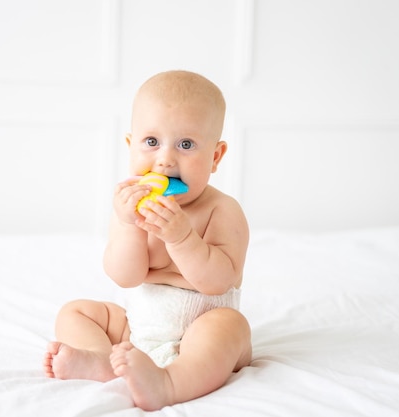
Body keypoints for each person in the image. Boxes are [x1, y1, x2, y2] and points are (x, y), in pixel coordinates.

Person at [43, 70, 251, 411]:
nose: (165, 159)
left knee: (230, 328)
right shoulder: (131, 206)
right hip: (139, 326)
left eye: (186, 144)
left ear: (215, 157)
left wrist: (182, 238)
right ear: (130, 146)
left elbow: (217, 283)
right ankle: (103, 362)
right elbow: (126, 276)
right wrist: (129, 226)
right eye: (152, 142)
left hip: (200, 329)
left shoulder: (223, 211)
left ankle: (169, 384)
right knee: (75, 312)